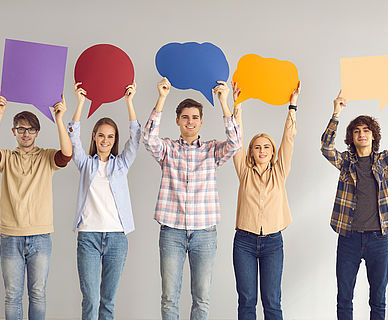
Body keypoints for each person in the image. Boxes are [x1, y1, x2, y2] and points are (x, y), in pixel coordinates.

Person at [143, 77, 241, 319]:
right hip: (172, 231)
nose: (190, 121)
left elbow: (236, 143)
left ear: (201, 122)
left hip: (204, 233)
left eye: (195, 117)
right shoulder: (167, 149)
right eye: (185, 117)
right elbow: (148, 139)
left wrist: (224, 102)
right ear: (177, 120)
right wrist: (162, 97)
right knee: (169, 297)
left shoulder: (212, 150)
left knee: (202, 297)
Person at [321, 89, 388, 319]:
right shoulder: (345, 163)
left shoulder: (387, 160)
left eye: (366, 130)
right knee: (344, 298)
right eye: (357, 131)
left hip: (380, 239)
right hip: (349, 238)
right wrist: (336, 113)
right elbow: (326, 148)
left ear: (373, 136)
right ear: (351, 137)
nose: (362, 134)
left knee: (378, 299)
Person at [68, 82, 141, 320]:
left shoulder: (121, 164)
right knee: (91, 300)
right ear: (95, 136)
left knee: (108, 302)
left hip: (116, 238)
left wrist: (129, 101)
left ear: (114, 139)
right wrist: (80, 102)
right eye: (101, 135)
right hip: (88, 236)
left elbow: (136, 136)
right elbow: (73, 137)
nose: (106, 140)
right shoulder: (85, 164)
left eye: (110, 136)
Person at [0, 90, 72, 320]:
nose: (26, 133)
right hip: (10, 236)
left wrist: (59, 119)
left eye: (30, 129)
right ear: (14, 132)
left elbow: (67, 154)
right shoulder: (7, 158)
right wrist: (0, 113)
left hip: (40, 236)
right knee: (12, 295)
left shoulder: (46, 157)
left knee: (38, 294)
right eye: (21, 128)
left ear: (37, 132)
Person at [231, 82, 300, 320]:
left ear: (272, 152)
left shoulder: (280, 172)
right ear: (250, 152)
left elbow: (288, 139)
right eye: (257, 147)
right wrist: (237, 105)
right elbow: (236, 139)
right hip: (244, 242)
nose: (262, 150)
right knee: (247, 301)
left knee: (272, 301)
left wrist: (292, 106)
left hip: (273, 243)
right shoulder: (244, 171)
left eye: (267, 147)